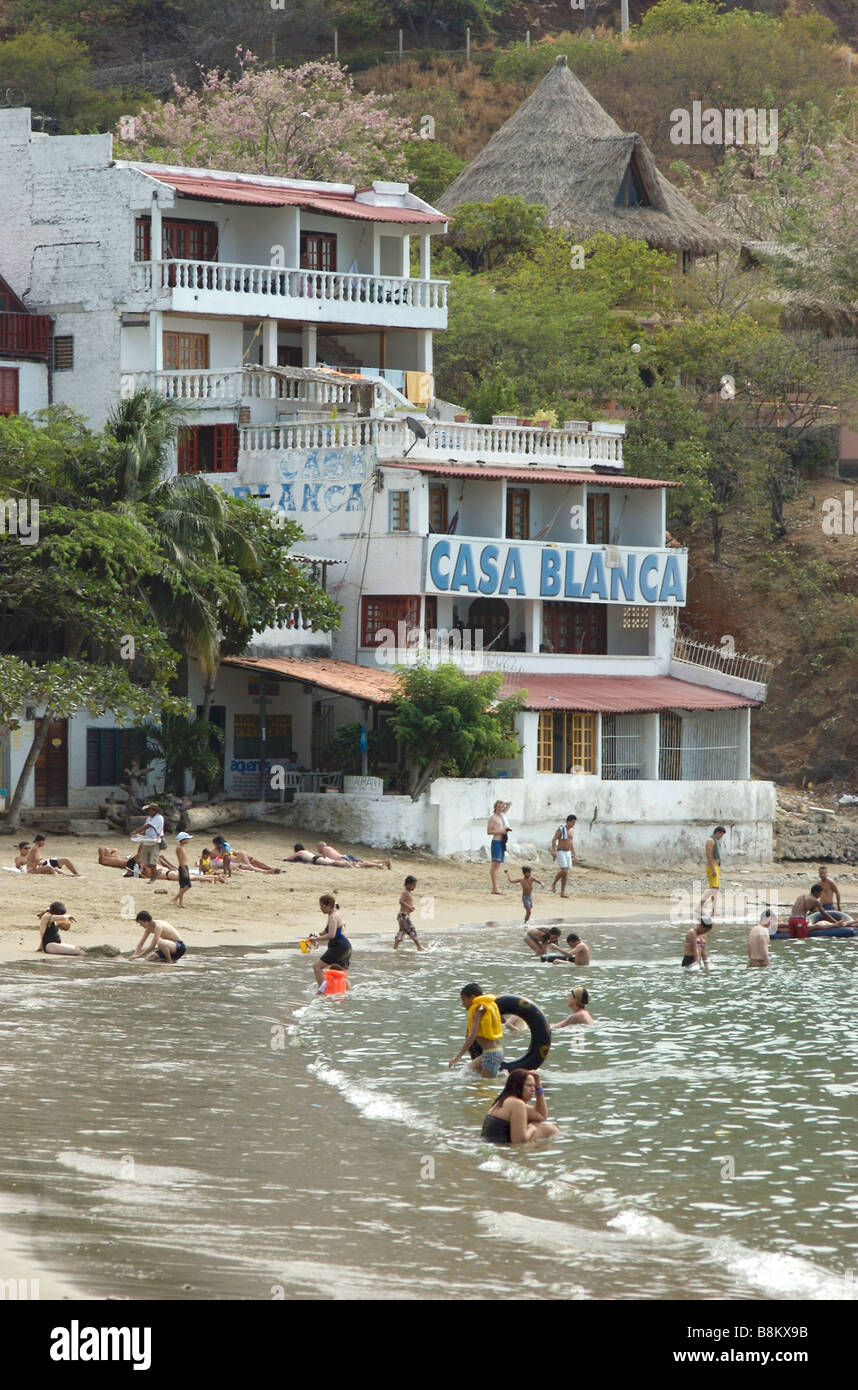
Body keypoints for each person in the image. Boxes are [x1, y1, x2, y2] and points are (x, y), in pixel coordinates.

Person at [480, 1069, 558, 1145]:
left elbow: (541, 1116)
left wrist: (539, 1088)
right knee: (549, 1129)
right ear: (516, 1086)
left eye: (534, 1086)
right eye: (529, 1086)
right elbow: (519, 1143)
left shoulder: (505, 1101)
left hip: (491, 1145)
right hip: (501, 1149)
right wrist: (531, 1128)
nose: (533, 1089)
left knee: (539, 1124)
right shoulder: (517, 1104)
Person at [449, 983, 505, 1077]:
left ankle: (505, 1076)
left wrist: (458, 1057)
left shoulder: (478, 1011)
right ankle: (502, 1075)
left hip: (491, 1054)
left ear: (472, 998)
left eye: (464, 1000)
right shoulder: (489, 1006)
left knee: (486, 1086)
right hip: (492, 1052)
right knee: (464, 1074)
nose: (463, 1004)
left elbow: (472, 1036)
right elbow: (502, 1020)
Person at [307, 894, 352, 987]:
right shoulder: (333, 915)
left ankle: (323, 990)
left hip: (339, 947)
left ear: (328, 906)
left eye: (322, 906)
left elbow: (331, 935)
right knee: (342, 975)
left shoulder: (333, 917)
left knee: (317, 967)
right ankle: (348, 994)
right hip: (346, 947)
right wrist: (316, 935)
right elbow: (326, 932)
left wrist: (315, 939)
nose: (321, 908)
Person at [130, 803, 165, 883]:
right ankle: (156, 873)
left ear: (155, 811)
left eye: (149, 810)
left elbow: (147, 826)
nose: (148, 812)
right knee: (145, 861)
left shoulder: (159, 818)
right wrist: (141, 835)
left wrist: (136, 832)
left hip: (155, 841)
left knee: (152, 861)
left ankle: (154, 876)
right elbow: (146, 828)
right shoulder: (149, 818)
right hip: (148, 840)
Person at [212, 835, 280, 875]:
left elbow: (230, 854)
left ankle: (268, 869)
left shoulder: (222, 849)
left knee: (251, 862)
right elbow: (216, 859)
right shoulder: (220, 849)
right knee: (249, 863)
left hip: (234, 861)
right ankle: (267, 870)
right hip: (234, 862)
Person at [700, 826, 726, 916]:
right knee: (713, 889)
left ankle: (714, 910)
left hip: (716, 866)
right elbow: (708, 855)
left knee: (715, 889)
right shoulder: (710, 841)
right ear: (717, 832)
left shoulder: (716, 841)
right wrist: (712, 868)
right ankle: (699, 907)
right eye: (721, 834)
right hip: (712, 867)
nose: (722, 836)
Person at [394, 876, 425, 951]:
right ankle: (419, 947)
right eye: (413, 885)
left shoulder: (409, 893)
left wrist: (411, 909)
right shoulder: (405, 892)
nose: (414, 887)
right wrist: (409, 907)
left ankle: (395, 947)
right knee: (412, 929)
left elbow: (406, 904)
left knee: (402, 931)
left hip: (404, 915)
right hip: (403, 916)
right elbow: (401, 901)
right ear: (408, 884)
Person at [550, 815, 578, 897]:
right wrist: (553, 850)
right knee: (564, 871)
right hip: (561, 851)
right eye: (573, 822)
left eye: (574, 822)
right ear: (568, 821)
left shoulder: (572, 830)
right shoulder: (561, 829)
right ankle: (554, 883)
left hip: (568, 852)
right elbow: (554, 839)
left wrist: (574, 854)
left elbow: (571, 843)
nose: (573, 824)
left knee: (566, 873)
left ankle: (562, 892)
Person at [315, 841, 391, 870]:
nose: (317, 850)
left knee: (360, 864)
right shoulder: (329, 848)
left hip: (343, 859)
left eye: (318, 848)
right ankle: (383, 862)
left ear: (320, 846)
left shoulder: (324, 848)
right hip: (345, 856)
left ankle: (378, 865)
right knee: (362, 862)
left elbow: (324, 858)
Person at [487, 800, 510, 895]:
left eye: (502, 807)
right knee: (495, 866)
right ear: (495, 807)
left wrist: (503, 802)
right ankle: (495, 888)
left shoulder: (502, 816)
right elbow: (489, 831)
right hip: (496, 841)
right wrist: (501, 831)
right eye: (499, 806)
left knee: (498, 866)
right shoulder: (493, 818)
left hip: (502, 842)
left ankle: (496, 887)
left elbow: (509, 804)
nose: (500, 808)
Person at [173, 832, 193, 909]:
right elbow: (181, 860)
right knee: (188, 885)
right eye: (187, 839)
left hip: (184, 867)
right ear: (183, 840)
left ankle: (180, 903)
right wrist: (184, 870)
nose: (188, 840)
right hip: (183, 867)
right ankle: (175, 898)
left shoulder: (181, 848)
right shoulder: (179, 848)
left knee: (182, 886)